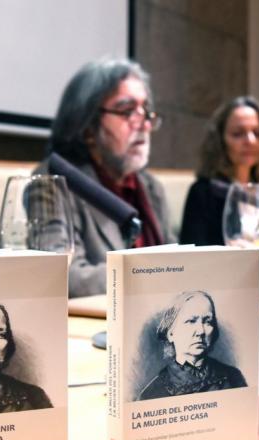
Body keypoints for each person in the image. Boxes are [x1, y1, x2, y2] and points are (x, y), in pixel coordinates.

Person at [35, 58, 175, 297]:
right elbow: (62, 277)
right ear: (88, 127)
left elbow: (175, 257)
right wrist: (154, 275)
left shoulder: (151, 188)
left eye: (145, 110)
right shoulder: (54, 183)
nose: (143, 124)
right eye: (127, 110)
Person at [179, 96, 259, 246]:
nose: (250, 141)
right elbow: (191, 254)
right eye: (238, 133)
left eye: (257, 133)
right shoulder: (203, 192)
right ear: (220, 140)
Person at [139, 290, 247, 401]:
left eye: (207, 321)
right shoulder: (152, 394)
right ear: (170, 333)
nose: (200, 331)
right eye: (191, 321)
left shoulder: (233, 378)